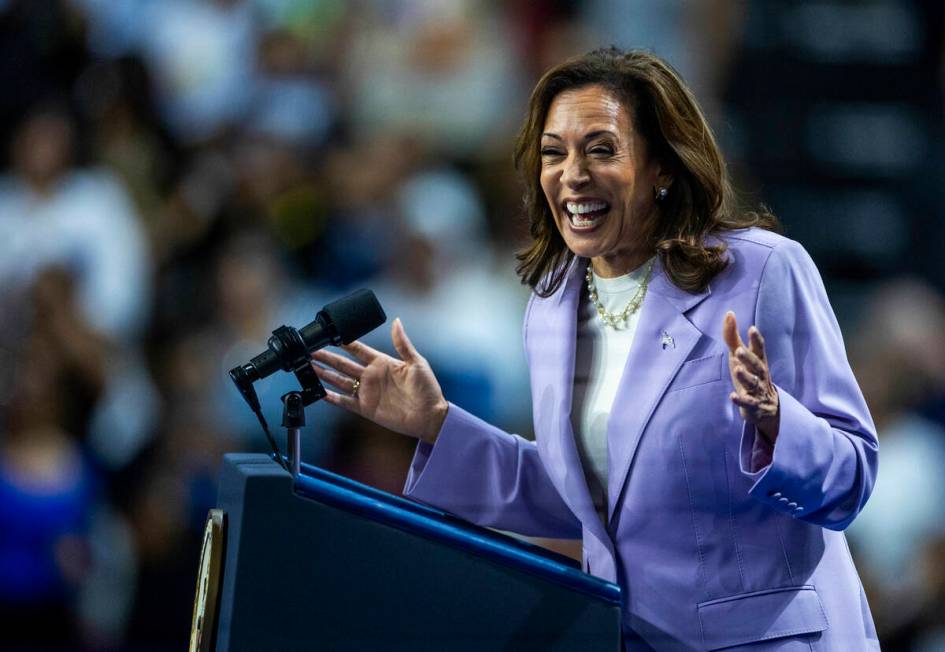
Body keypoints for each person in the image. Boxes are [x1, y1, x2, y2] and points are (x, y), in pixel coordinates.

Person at [312, 48, 879, 651]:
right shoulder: (552, 308)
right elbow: (591, 500)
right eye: (554, 153)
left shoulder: (762, 271)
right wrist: (437, 423)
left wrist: (775, 419)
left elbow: (852, 476)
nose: (572, 174)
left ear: (662, 166)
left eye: (602, 149)